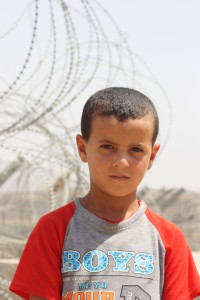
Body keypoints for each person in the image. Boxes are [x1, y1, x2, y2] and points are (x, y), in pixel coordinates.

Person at [9, 87, 200, 300]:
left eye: (136, 150)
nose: (121, 162)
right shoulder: (53, 231)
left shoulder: (168, 240)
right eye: (108, 146)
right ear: (83, 148)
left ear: (152, 156)